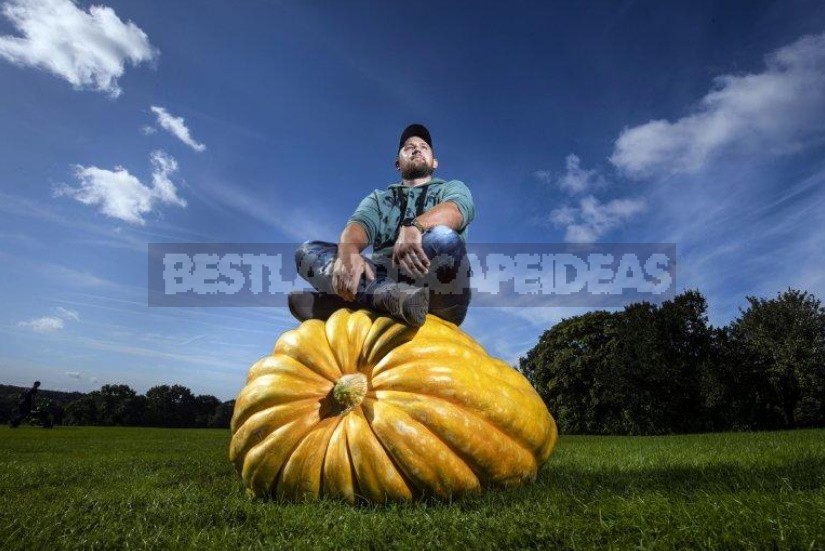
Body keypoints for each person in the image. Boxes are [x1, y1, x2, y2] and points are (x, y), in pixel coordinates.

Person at [290, 123, 475, 327]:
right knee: (306, 252)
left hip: (438, 288)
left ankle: (356, 303)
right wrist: (348, 253)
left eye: (424, 147)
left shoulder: (451, 188)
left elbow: (457, 210)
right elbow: (358, 226)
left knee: (444, 239)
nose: (416, 149)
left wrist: (415, 227)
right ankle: (387, 298)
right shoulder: (379, 199)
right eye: (408, 147)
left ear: (434, 163)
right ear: (398, 163)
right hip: (384, 278)